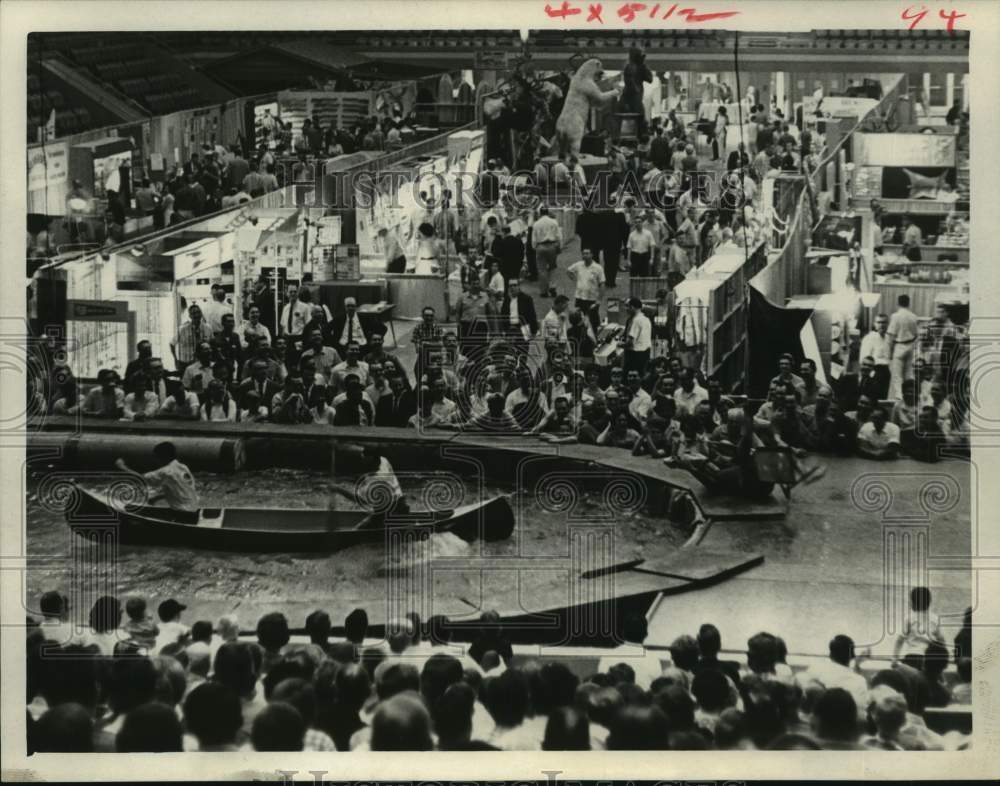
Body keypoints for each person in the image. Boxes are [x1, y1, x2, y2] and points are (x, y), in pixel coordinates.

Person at [115, 441, 198, 512]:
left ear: (162, 457)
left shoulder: (166, 471)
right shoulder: (183, 467)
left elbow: (141, 479)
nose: (155, 460)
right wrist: (157, 498)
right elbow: (181, 490)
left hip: (182, 512)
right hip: (193, 509)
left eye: (156, 457)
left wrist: (123, 467)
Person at [531, 205, 562, 299]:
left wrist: (535, 247)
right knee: (552, 267)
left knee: (542, 269)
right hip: (552, 246)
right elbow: (559, 236)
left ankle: (543, 291)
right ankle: (552, 287)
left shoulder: (536, 224)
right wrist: (559, 246)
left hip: (540, 246)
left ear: (540, 213)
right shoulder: (554, 222)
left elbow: (534, 239)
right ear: (548, 212)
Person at [860, 313, 892, 399]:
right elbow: (864, 359)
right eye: (879, 322)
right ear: (875, 324)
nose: (881, 325)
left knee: (883, 398)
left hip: (886, 372)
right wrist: (870, 375)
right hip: (874, 372)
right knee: (872, 398)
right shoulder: (869, 338)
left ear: (888, 324)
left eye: (884, 322)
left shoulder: (889, 339)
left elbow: (889, 358)